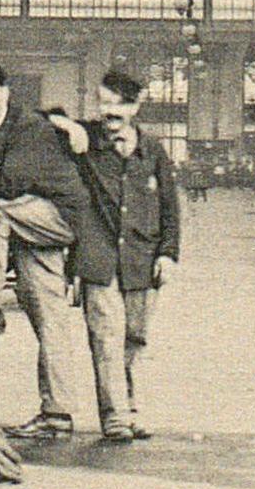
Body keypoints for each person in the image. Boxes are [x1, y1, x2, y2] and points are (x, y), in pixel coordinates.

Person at [0, 61, 105, 439]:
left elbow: (9, 184)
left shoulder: (30, 129)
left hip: (60, 216)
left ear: (6, 94)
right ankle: (57, 414)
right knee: (50, 316)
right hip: (29, 228)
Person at [62, 71, 183, 441]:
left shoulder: (154, 150)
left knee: (135, 337)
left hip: (143, 259)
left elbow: (169, 206)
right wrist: (68, 125)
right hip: (98, 259)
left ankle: (130, 409)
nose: (108, 111)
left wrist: (168, 253)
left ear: (134, 106)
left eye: (117, 104)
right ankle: (114, 416)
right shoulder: (88, 143)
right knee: (105, 337)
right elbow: (43, 117)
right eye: (103, 102)